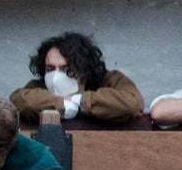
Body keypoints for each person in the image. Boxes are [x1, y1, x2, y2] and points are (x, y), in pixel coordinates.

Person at [9, 32, 144, 124]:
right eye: (50, 69)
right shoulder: (40, 85)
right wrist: (62, 105)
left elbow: (132, 104)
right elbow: (19, 102)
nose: (56, 75)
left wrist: (79, 101)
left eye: (66, 69)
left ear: (84, 70)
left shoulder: (110, 80)